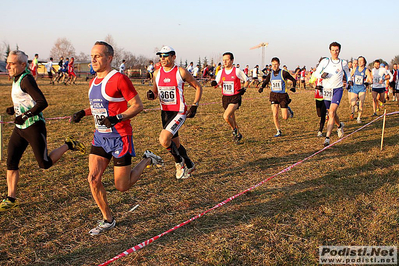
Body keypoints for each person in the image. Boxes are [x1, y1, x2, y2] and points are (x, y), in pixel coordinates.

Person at [71, 41, 164, 235]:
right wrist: (83, 112)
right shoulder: (93, 81)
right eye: (92, 56)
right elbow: (100, 108)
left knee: (122, 186)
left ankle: (147, 158)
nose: (93, 59)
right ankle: (108, 219)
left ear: (109, 58)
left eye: (98, 56)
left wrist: (117, 118)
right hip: (100, 138)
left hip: (120, 137)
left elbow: (137, 106)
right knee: (93, 179)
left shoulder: (119, 79)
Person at [0, 50, 85, 212]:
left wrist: (24, 116)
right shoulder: (16, 77)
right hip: (20, 128)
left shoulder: (26, 80)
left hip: (34, 126)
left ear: (22, 65)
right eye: (8, 63)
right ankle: (11, 199)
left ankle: (69, 144)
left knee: (44, 163)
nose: (8, 66)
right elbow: (27, 100)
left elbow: (42, 102)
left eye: (12, 63)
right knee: (11, 161)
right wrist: (14, 109)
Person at [147, 46, 202, 179]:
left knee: (164, 139)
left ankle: (179, 163)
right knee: (175, 144)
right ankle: (189, 164)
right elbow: (155, 92)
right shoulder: (157, 73)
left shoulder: (181, 72)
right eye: (161, 56)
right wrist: (151, 95)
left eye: (166, 56)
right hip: (165, 113)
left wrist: (195, 105)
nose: (162, 59)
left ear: (173, 57)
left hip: (179, 112)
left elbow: (198, 86)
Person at [314, 42, 351, 146]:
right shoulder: (325, 62)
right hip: (327, 90)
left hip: (338, 89)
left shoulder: (343, 62)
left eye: (337, 50)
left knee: (331, 112)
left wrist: (350, 80)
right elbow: (316, 73)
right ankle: (339, 126)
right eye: (333, 50)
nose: (335, 52)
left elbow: (347, 73)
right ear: (330, 51)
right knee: (331, 112)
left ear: (339, 51)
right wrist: (322, 75)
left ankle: (327, 138)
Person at [213, 51, 249, 142]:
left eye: (227, 60)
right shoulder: (221, 72)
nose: (224, 62)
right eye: (223, 60)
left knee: (226, 116)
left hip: (235, 97)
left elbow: (247, 80)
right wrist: (214, 84)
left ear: (232, 60)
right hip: (225, 97)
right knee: (231, 117)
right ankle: (238, 134)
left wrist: (244, 88)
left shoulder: (237, 71)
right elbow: (216, 83)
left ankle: (234, 130)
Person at [258, 57, 296, 137]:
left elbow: (293, 80)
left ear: (279, 64)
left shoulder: (283, 73)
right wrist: (262, 87)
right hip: (274, 95)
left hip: (282, 96)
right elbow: (266, 81)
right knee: (275, 114)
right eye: (273, 65)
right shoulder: (271, 74)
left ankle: (289, 110)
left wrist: (293, 87)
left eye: (276, 64)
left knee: (285, 117)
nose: (274, 66)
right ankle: (278, 130)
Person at [349, 56, 371, 123]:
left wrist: (367, 83)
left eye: (361, 61)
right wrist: (350, 81)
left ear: (364, 62)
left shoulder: (366, 70)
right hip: (355, 88)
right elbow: (349, 76)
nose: (360, 62)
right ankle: (356, 104)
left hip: (362, 88)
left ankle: (359, 118)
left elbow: (370, 80)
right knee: (352, 103)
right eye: (359, 61)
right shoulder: (355, 69)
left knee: (361, 104)